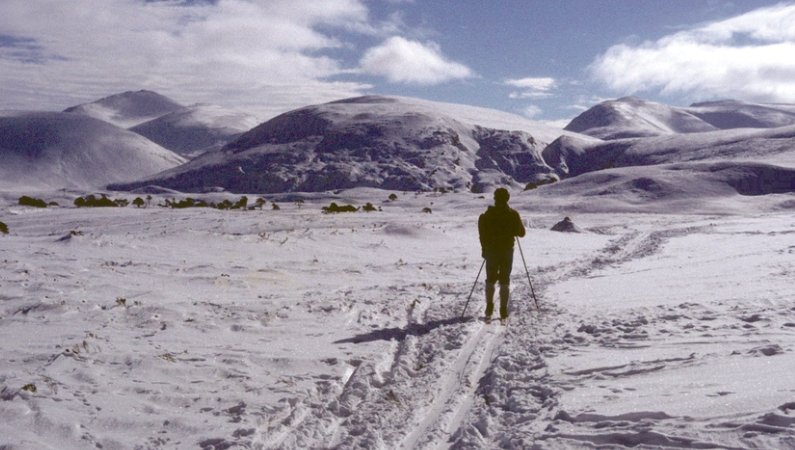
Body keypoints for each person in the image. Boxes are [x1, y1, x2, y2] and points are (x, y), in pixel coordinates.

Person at [478, 188, 526, 323]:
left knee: (490, 279)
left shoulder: (487, 214)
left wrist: (484, 249)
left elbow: (483, 234)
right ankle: (503, 310)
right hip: (507, 251)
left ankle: (489, 307)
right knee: (505, 279)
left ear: (495, 198)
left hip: (491, 251)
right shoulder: (513, 214)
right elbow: (521, 233)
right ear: (507, 198)